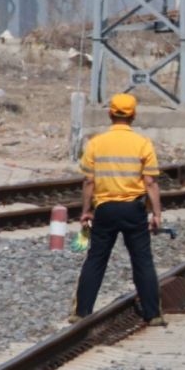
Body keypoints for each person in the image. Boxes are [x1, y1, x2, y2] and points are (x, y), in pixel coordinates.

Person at [70, 93, 166, 326]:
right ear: (134, 115)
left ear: (110, 113)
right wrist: (156, 213)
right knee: (142, 260)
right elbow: (150, 182)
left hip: (105, 209)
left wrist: (86, 211)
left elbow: (88, 182)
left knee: (96, 259)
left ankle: (81, 312)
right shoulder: (142, 143)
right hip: (133, 210)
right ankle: (152, 314)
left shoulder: (95, 143)